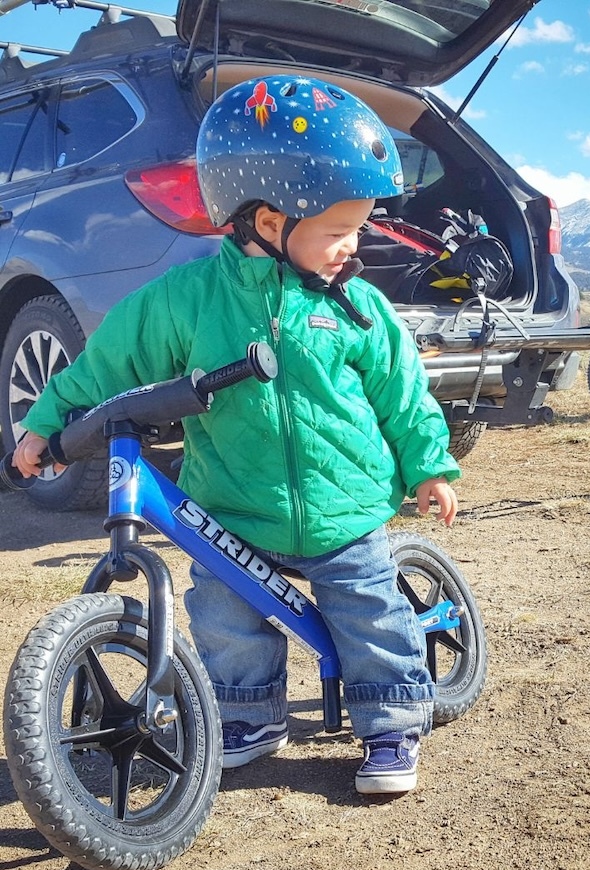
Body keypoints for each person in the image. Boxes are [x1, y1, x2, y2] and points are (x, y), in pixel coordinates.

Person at [11, 75, 461, 795]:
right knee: (223, 616)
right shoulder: (185, 301)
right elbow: (105, 364)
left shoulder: (357, 306)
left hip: (343, 510)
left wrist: (429, 467)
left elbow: (402, 393)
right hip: (232, 508)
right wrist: (45, 422)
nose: (355, 246)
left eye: (360, 226)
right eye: (339, 229)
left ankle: (391, 721)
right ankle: (250, 716)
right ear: (269, 223)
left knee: (369, 612)